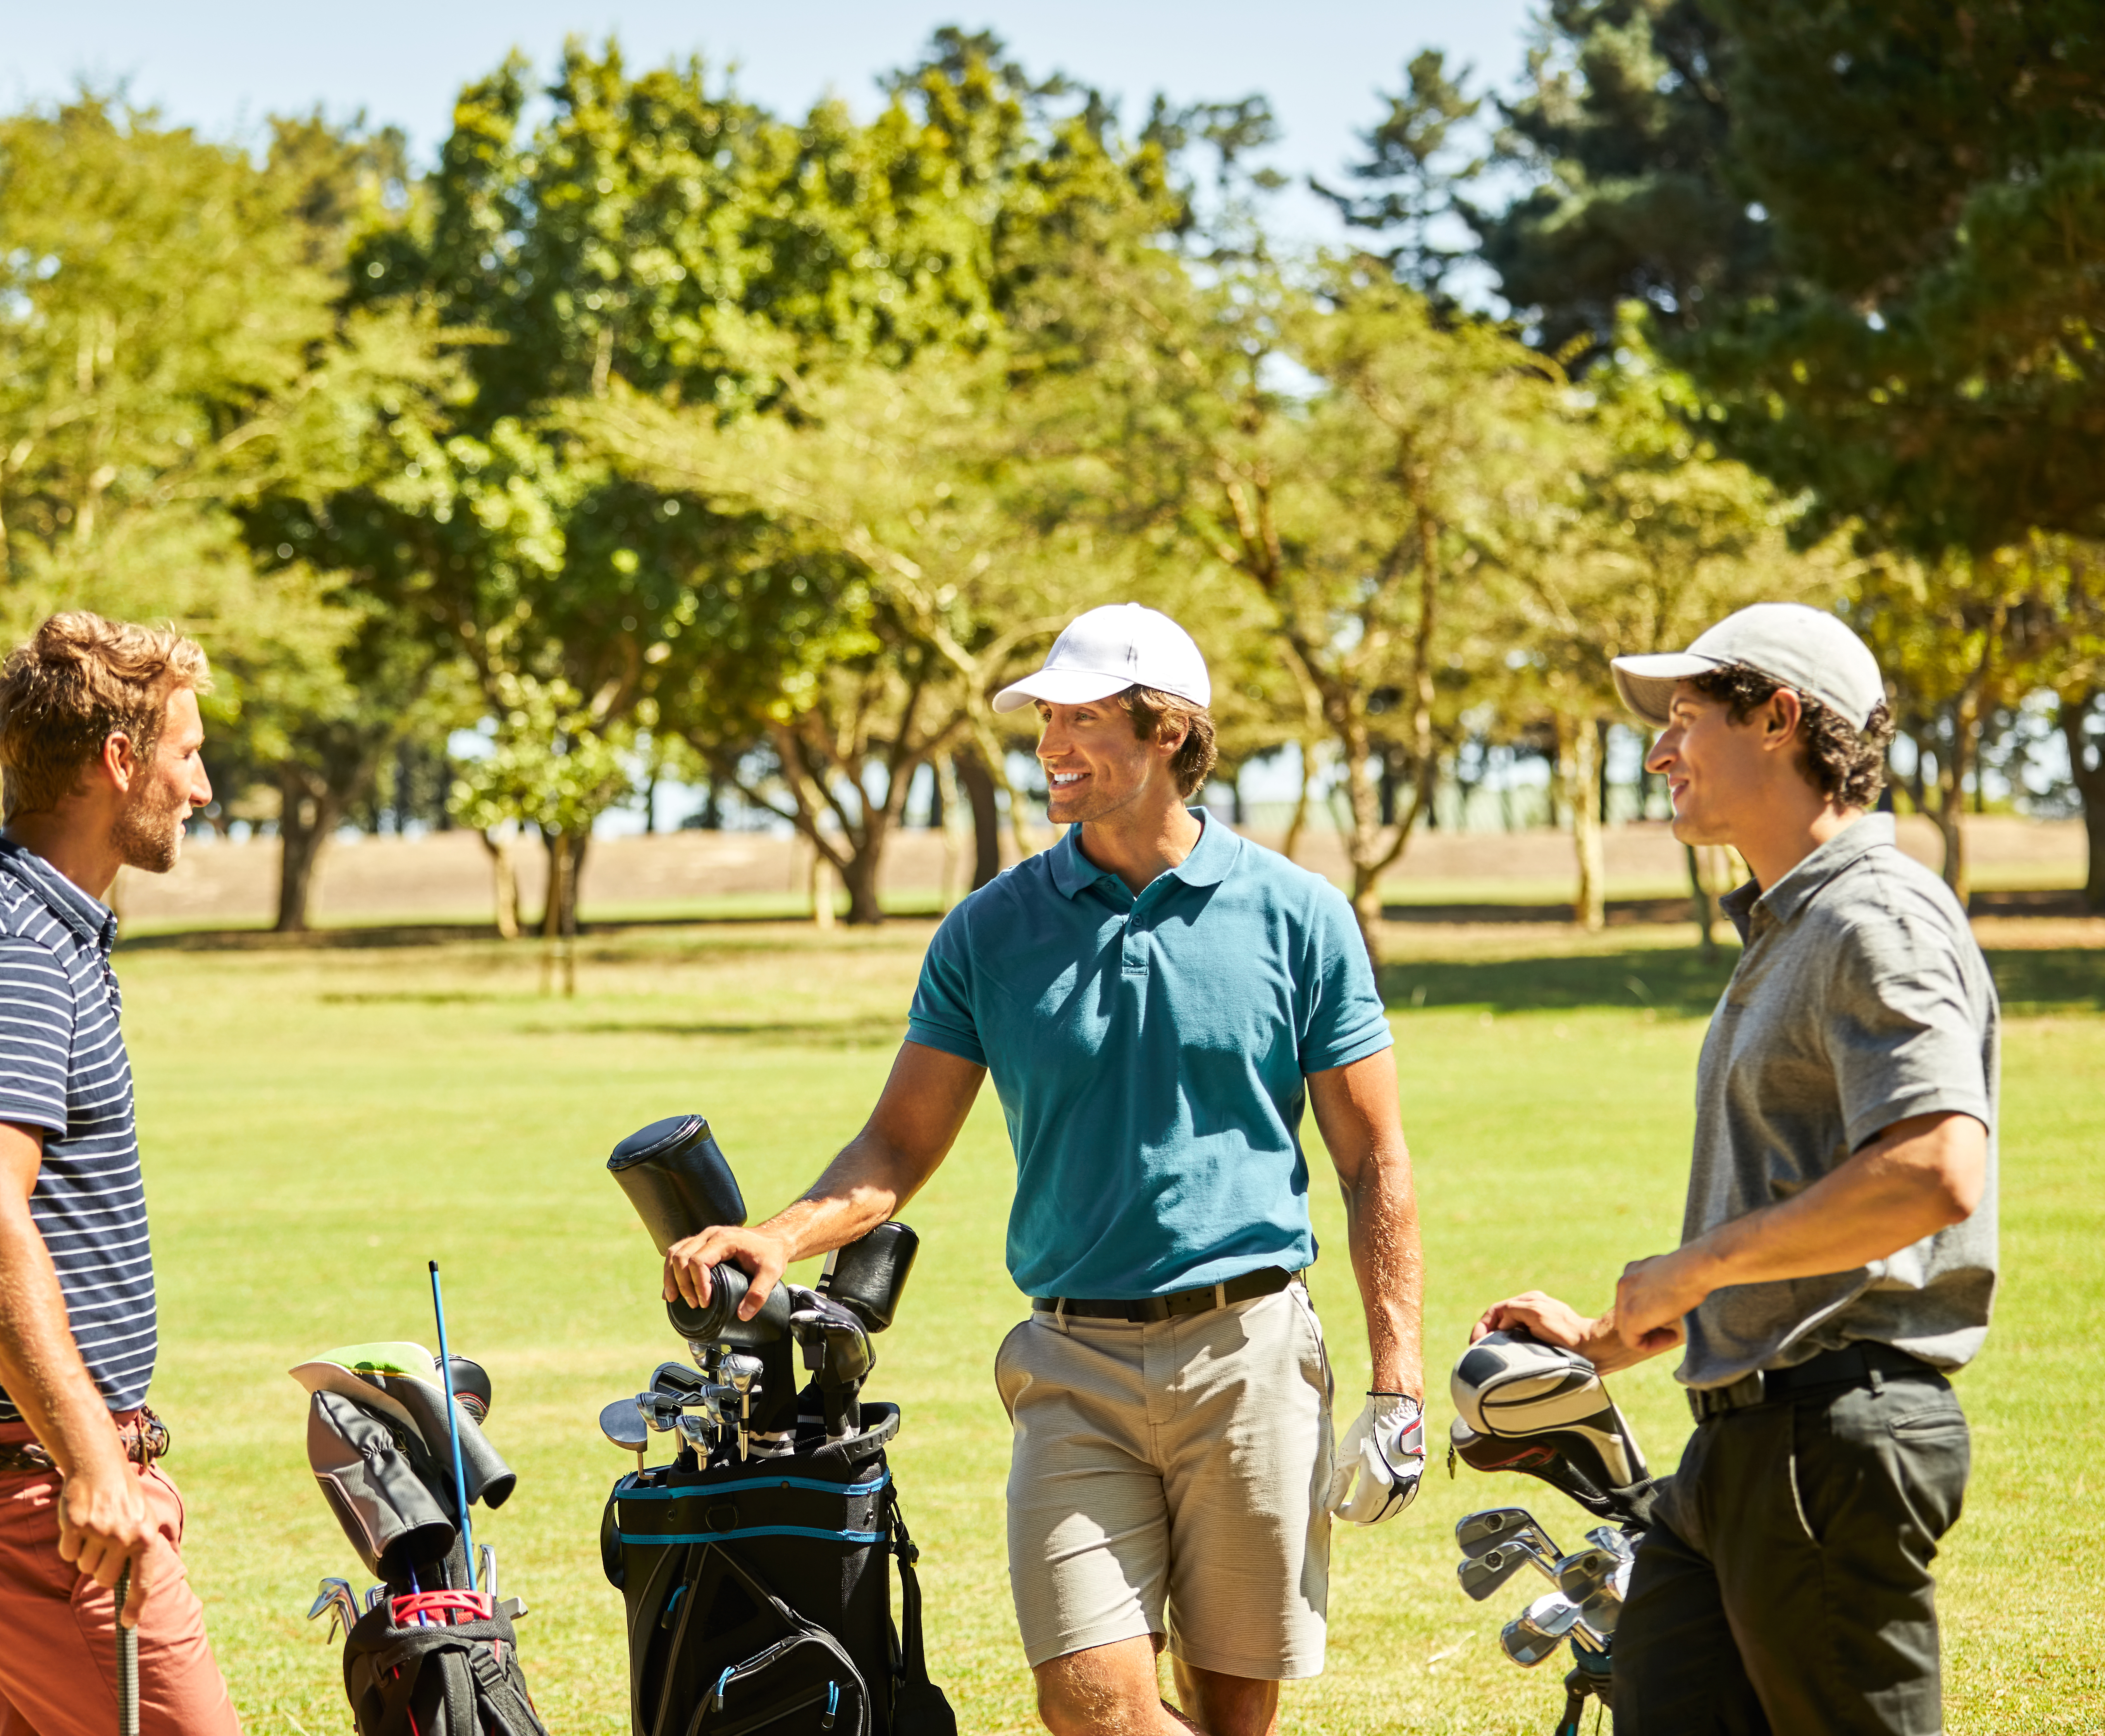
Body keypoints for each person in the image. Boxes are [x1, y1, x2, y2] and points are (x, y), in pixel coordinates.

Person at [664, 603, 1427, 1736]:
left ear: (1167, 731)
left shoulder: (1300, 917)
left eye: (1079, 718)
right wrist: (778, 1238)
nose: (1049, 746)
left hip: (1254, 1355)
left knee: (1235, 1711)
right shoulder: (990, 930)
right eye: (1044, 719)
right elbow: (898, 1144)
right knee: (1090, 1702)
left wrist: (1398, 1380)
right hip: (1073, 1366)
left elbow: (1373, 1161)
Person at [1477, 602, 1996, 1736]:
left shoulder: (1876, 915)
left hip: (1829, 1435)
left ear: (1779, 718)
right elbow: (1793, 1200)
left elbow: (1933, 1168)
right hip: (1738, 1451)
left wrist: (1695, 1263)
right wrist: (1612, 1335)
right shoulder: (1790, 927)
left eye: (1685, 718)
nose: (1659, 752)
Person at [0, 611, 240, 1736]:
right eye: (186, 754)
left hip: (30, 1482)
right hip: (32, 1496)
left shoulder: (49, 931)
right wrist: (95, 1463)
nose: (204, 788)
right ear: (116, 761)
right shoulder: (14, 951)